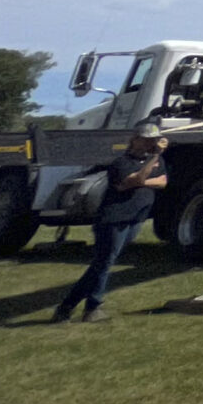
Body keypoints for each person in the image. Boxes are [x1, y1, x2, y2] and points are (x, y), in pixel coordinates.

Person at [54, 124, 168, 323]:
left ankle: (67, 306)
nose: (152, 143)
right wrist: (153, 160)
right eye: (147, 139)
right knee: (104, 262)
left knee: (102, 264)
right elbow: (136, 179)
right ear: (135, 140)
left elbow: (162, 182)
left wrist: (145, 180)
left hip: (135, 217)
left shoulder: (157, 161)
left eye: (154, 139)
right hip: (114, 219)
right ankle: (93, 307)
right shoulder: (121, 163)